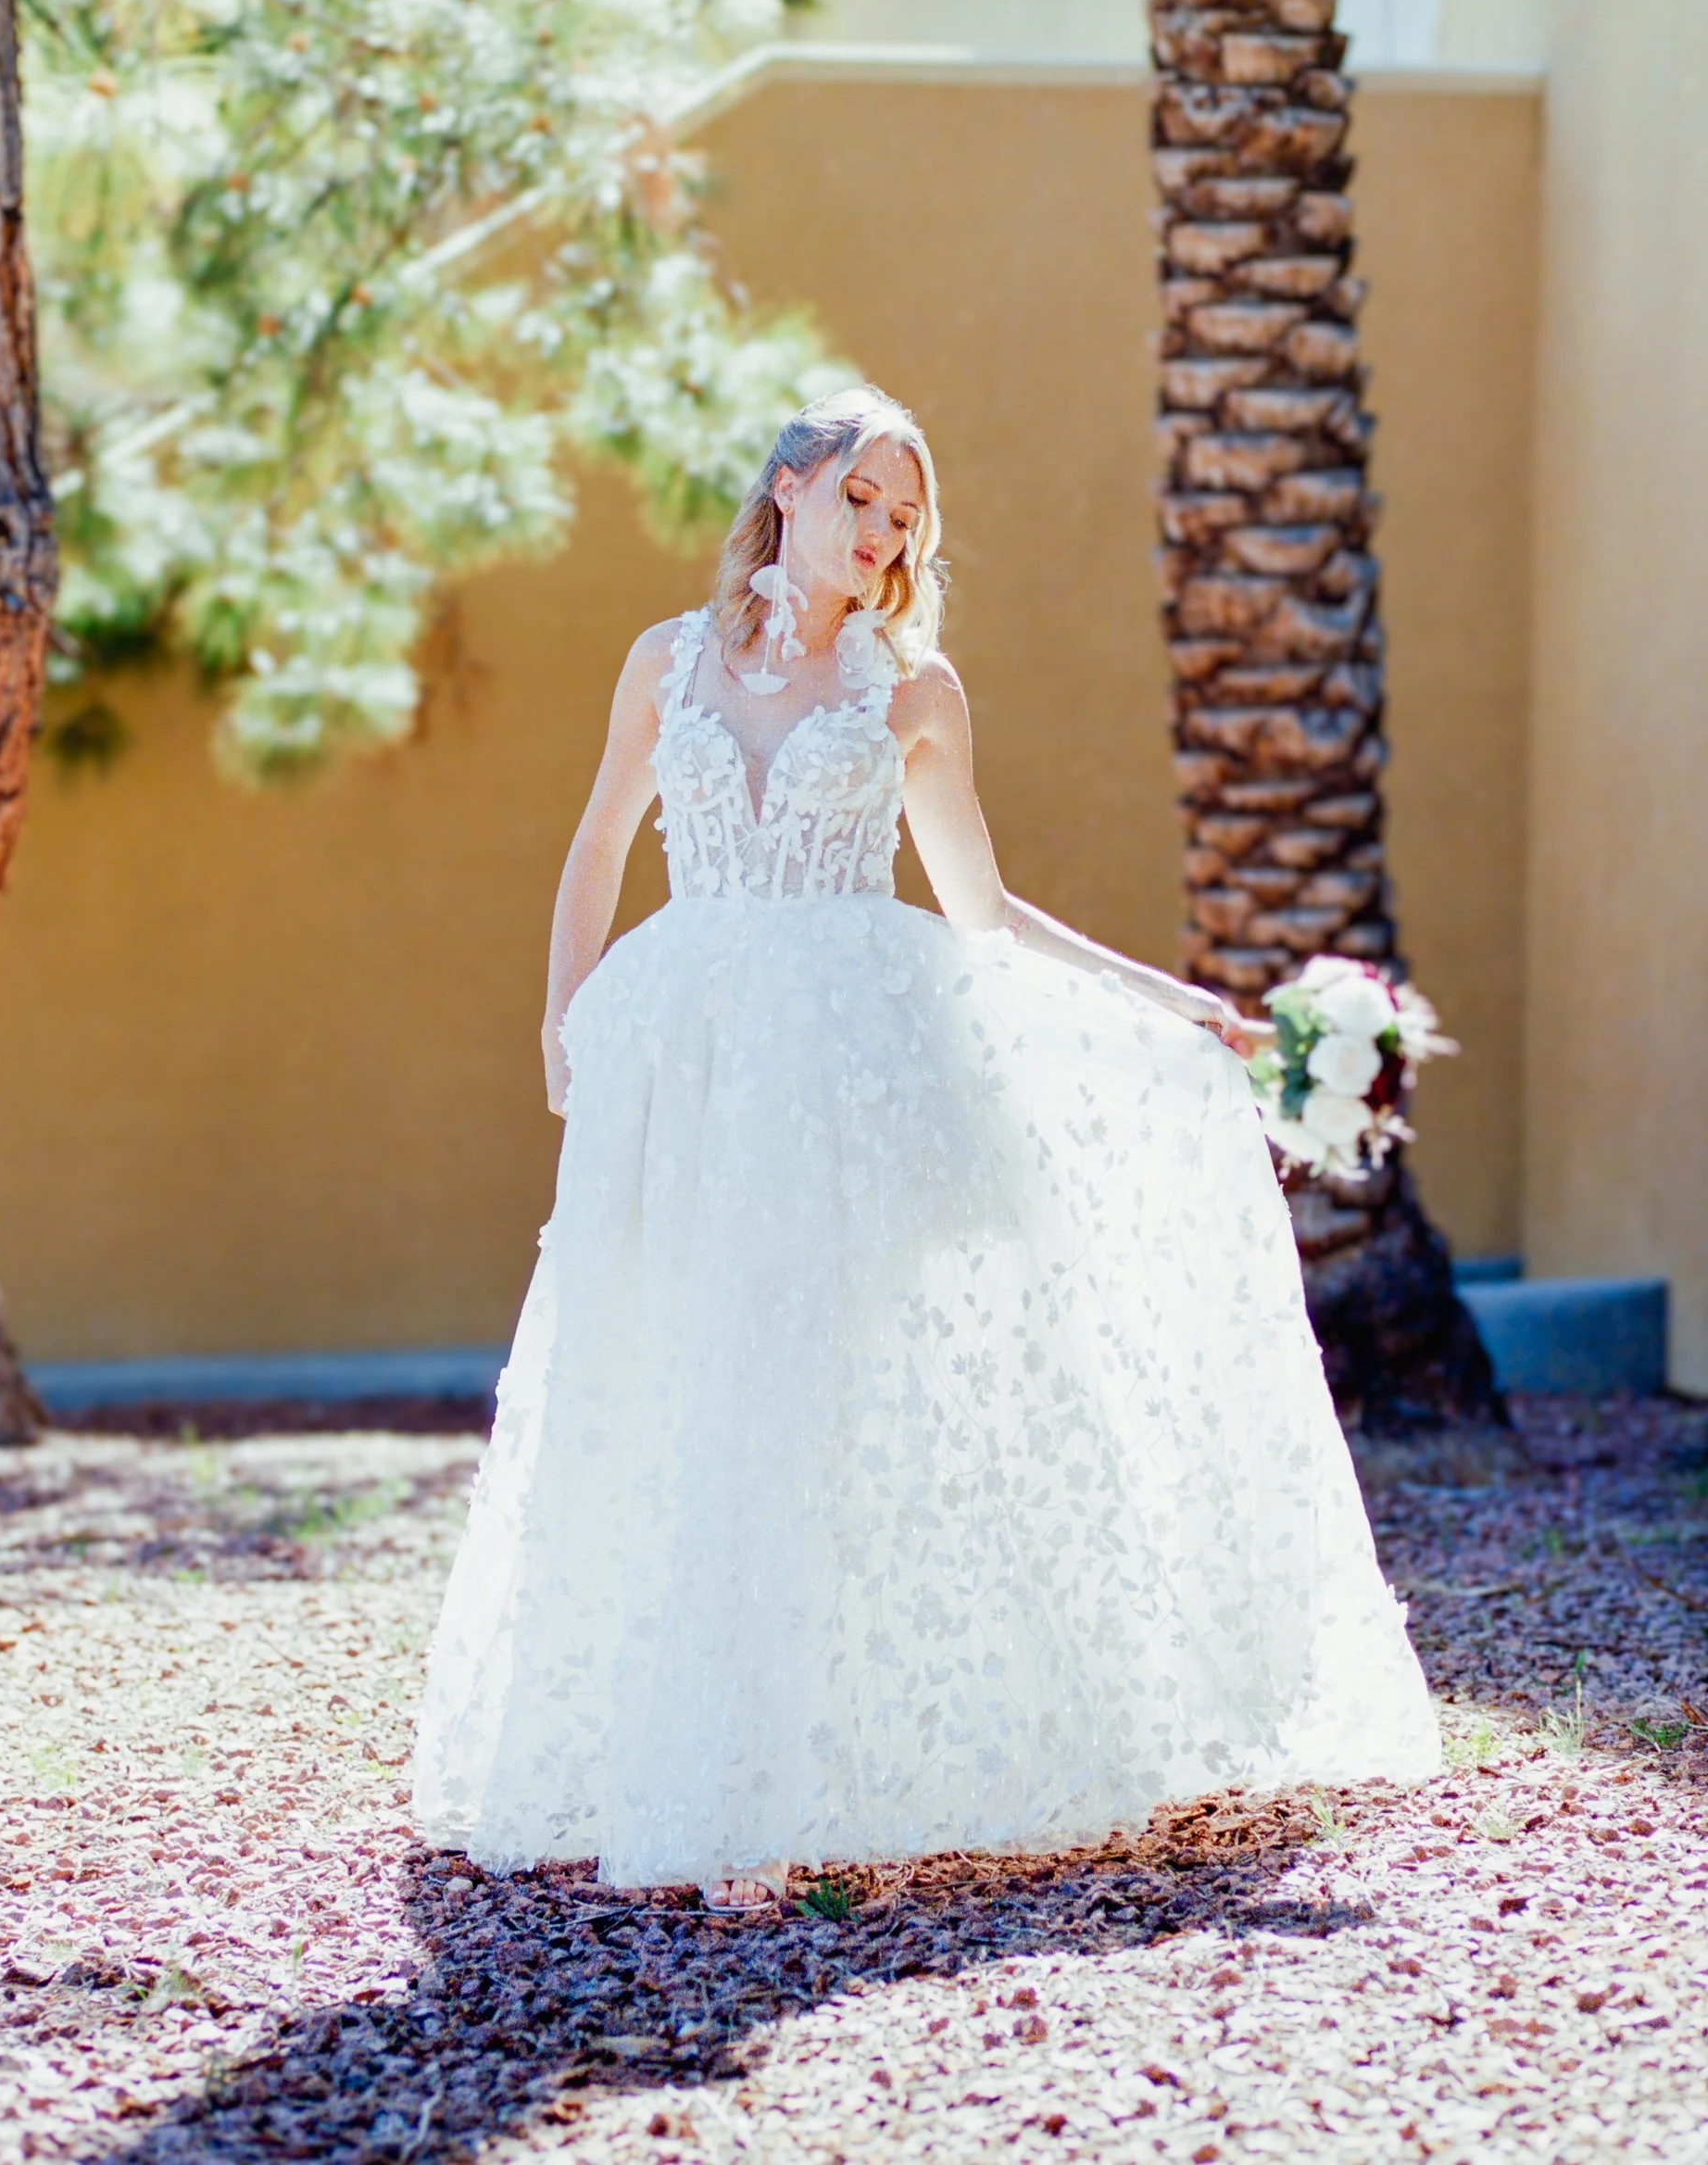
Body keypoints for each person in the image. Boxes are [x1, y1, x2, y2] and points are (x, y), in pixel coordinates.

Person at [413, 385, 1439, 1910]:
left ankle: (788, 1786)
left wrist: (1182, 1008)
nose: (884, 536)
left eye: (906, 517)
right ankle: (672, 1753)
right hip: (686, 1066)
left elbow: (985, 912)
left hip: (849, 1081)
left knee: (808, 1398)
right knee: (672, 1377)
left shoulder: (912, 688)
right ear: (789, 487)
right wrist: (564, 1019)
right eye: (863, 500)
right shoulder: (665, 661)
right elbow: (597, 846)